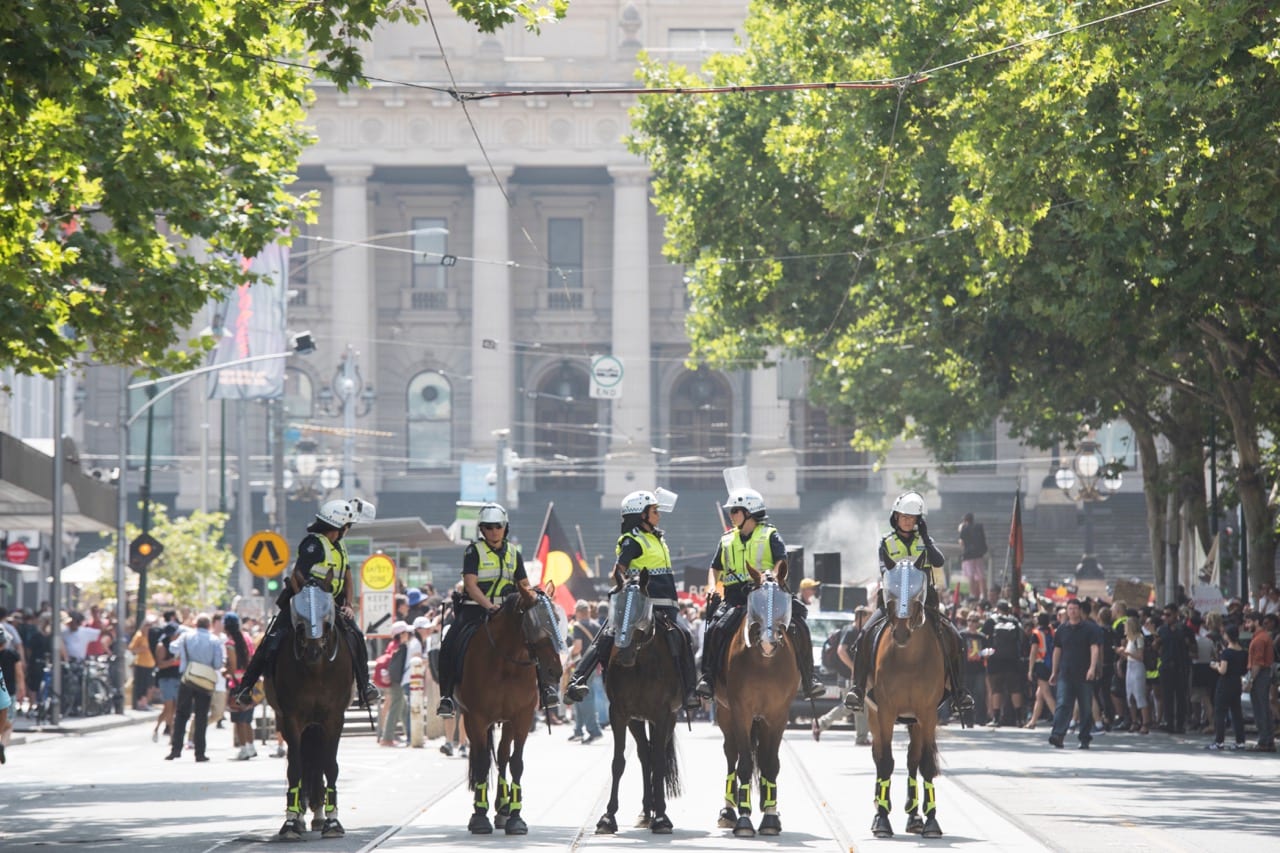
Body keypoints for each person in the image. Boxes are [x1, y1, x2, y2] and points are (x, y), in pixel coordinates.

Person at [233, 498, 380, 708]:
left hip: (332, 606)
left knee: (356, 635)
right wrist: (308, 603)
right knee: (272, 639)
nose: (348, 529)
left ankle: (365, 686)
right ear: (338, 526)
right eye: (347, 525)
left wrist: (348, 604)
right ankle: (245, 687)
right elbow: (296, 575)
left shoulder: (339, 547)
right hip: (303, 603)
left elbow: (347, 577)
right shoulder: (314, 544)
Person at [564, 490, 701, 710]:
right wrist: (626, 583)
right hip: (639, 605)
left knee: (684, 636)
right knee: (606, 635)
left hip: (667, 605)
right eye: (654, 511)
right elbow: (617, 571)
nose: (659, 515)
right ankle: (577, 680)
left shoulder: (657, 537)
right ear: (641, 515)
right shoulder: (632, 540)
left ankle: (690, 691)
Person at [844, 492, 975, 715]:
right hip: (892, 601)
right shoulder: (886, 542)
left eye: (913, 518)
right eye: (904, 516)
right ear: (895, 517)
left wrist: (926, 538)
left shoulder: (925, 541)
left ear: (918, 521)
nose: (907, 521)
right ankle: (857, 689)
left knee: (956, 637)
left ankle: (959, 692)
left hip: (924, 602)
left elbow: (938, 561)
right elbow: (885, 570)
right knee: (863, 635)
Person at [694, 488, 825, 702]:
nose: (731, 515)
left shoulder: (770, 534)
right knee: (716, 627)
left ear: (749, 513)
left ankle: (810, 678)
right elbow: (715, 567)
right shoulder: (727, 539)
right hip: (736, 597)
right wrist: (711, 586)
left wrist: (771, 578)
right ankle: (708, 678)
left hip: (767, 594)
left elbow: (781, 560)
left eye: (735, 510)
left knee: (799, 623)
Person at [435, 503, 560, 717]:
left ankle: (546, 688)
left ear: (505, 527)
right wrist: (489, 606)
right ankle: (447, 696)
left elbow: (524, 584)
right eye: (488, 527)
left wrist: (534, 597)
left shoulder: (514, 553)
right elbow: (470, 584)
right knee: (449, 640)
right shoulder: (473, 551)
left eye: (498, 526)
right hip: (476, 610)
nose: (494, 531)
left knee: (536, 637)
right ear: (482, 529)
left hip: (510, 612)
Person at [166, 614, 225, 762]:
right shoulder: (214, 640)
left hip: (188, 678)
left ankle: (176, 749)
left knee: (181, 715)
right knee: (201, 716)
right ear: (209, 625)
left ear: (195, 624)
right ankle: (200, 752)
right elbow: (218, 664)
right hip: (205, 681)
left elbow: (173, 648)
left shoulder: (186, 637)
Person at [1047, 598, 1102, 749]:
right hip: (1066, 673)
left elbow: (1094, 648)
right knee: (1063, 704)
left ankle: (1084, 738)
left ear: (1080, 611)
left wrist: (1092, 668)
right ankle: (1058, 735)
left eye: (1075, 609)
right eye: (1070, 609)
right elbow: (1057, 650)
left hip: (1084, 674)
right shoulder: (1062, 630)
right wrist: (1054, 671)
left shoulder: (1090, 629)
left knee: (1085, 707)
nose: (1072, 612)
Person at [566, 601, 604, 744]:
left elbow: (577, 647)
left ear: (580, 612)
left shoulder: (578, 626)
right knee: (578, 697)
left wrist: (569, 656)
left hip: (582, 667)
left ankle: (594, 731)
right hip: (594, 666)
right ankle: (578, 730)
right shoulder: (596, 625)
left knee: (584, 698)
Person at [223, 612, 258, 760]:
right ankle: (251, 747)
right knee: (248, 719)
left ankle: (243, 749)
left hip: (237, 683)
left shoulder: (230, 643)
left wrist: (226, 671)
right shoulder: (247, 637)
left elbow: (232, 665)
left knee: (238, 720)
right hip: (249, 681)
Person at [1207, 624, 1248, 750]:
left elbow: (1223, 670)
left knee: (1220, 712)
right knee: (1236, 712)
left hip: (1225, 684)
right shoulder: (1243, 652)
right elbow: (1244, 670)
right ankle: (1240, 741)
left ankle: (1219, 741)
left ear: (1228, 636)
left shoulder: (1227, 652)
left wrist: (1215, 666)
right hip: (1236, 683)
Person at [1245, 611, 1275, 751]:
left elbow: (1257, 663)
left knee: (1260, 708)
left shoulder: (1259, 639)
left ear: (1256, 622)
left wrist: (1250, 680)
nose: (1246, 625)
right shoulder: (1263, 637)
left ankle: (1264, 740)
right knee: (1264, 707)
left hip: (1260, 674)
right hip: (1264, 673)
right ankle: (1268, 740)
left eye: (1249, 622)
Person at [1118, 612, 1152, 734]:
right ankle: (1134, 721)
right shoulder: (1129, 640)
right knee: (1130, 696)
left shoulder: (1139, 638)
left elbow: (1140, 656)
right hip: (1130, 667)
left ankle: (1145, 723)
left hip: (1137, 668)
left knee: (1140, 695)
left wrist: (1128, 654)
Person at [958, 512, 988, 603]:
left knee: (970, 575)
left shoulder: (964, 528)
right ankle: (983, 594)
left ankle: (972, 594)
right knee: (981, 575)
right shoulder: (979, 527)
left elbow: (962, 542)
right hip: (979, 554)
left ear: (965, 520)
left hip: (969, 555)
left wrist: (960, 528)